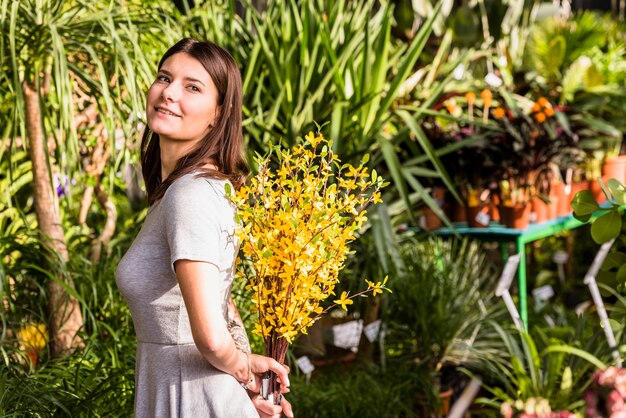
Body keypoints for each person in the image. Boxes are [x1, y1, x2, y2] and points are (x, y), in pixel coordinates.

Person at [116, 38, 292, 418]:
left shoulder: (190, 194)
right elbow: (223, 305)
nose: (169, 93)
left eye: (192, 87)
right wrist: (250, 384)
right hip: (192, 393)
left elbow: (213, 338)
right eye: (164, 78)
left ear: (218, 113)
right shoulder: (196, 189)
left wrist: (244, 375)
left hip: (193, 399)